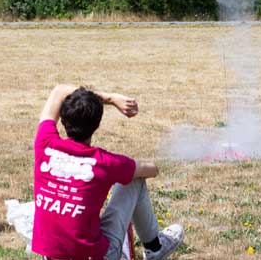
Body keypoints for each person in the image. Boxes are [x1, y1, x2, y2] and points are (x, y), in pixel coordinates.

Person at [32, 84, 184, 260]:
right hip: (95, 256)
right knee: (135, 178)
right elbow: (152, 170)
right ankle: (155, 247)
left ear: (64, 119)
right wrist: (112, 99)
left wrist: (109, 97)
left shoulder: (45, 143)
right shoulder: (105, 162)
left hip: (53, 256)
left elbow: (59, 91)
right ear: (97, 124)